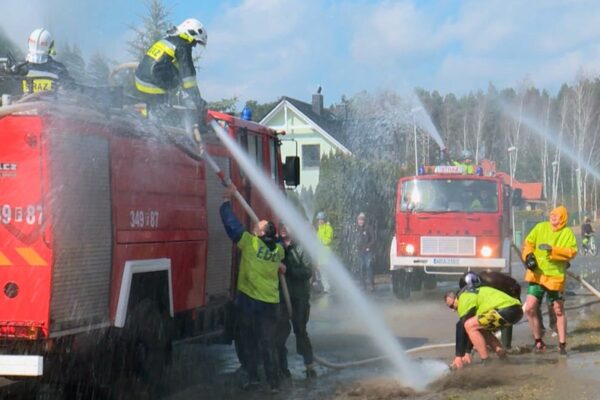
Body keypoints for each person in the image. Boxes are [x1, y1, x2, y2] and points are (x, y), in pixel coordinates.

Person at [220, 185, 285, 393]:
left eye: (258, 226)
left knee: (248, 343)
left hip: (249, 303)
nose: (255, 226)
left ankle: (254, 378)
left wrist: (225, 202)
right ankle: (274, 384)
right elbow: (281, 245)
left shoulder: (250, 244)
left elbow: (231, 225)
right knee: (267, 345)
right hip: (270, 306)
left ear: (260, 233)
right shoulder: (278, 251)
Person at [521, 205, 577, 355]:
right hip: (537, 275)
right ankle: (538, 340)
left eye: (557, 215)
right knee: (530, 307)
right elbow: (528, 244)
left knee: (558, 310)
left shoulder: (567, 233)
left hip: (555, 277)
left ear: (563, 218)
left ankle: (562, 344)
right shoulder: (540, 227)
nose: (553, 217)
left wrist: (553, 250)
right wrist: (528, 257)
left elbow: (572, 252)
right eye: (552, 214)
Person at [134, 18, 208, 122]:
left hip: (140, 80)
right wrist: (198, 101)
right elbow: (188, 76)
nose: (194, 45)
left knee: (155, 107)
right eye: (195, 41)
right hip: (153, 85)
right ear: (190, 33)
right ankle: (152, 126)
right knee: (163, 117)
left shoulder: (167, 40)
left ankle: (145, 116)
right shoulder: (183, 45)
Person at [444, 278, 523, 366]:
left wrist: (459, 356)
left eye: (452, 306)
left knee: (469, 325)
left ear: (456, 298)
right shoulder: (472, 292)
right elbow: (471, 332)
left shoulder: (463, 298)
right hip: (516, 311)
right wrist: (467, 352)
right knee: (481, 329)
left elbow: (461, 326)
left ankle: (486, 361)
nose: (453, 310)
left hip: (507, 310)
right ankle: (503, 357)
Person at [275, 223, 317, 379]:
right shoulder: (276, 246)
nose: (284, 228)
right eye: (281, 225)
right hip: (282, 297)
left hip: (299, 297)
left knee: (300, 330)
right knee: (279, 333)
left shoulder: (301, 248)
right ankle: (282, 369)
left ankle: (310, 366)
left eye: (287, 225)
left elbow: (307, 271)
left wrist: (289, 270)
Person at [14, 29, 72, 94]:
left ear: (29, 42)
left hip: (19, 103)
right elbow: (72, 89)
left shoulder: (16, 68)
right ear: (50, 46)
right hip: (51, 103)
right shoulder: (59, 69)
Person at [350, 212, 375, 291]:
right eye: (359, 220)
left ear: (364, 220)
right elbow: (354, 239)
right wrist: (355, 247)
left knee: (368, 266)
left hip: (368, 251)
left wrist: (368, 246)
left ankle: (371, 284)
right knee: (361, 267)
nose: (360, 221)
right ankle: (363, 285)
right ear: (357, 220)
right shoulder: (356, 229)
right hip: (360, 251)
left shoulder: (368, 228)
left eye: (362, 220)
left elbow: (373, 239)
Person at [315, 211, 334, 293]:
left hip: (326, 253)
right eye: (319, 219)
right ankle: (326, 287)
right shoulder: (319, 229)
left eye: (321, 219)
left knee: (325, 271)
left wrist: (320, 242)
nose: (320, 221)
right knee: (322, 272)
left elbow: (328, 240)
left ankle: (327, 287)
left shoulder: (328, 228)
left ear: (324, 219)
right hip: (320, 253)